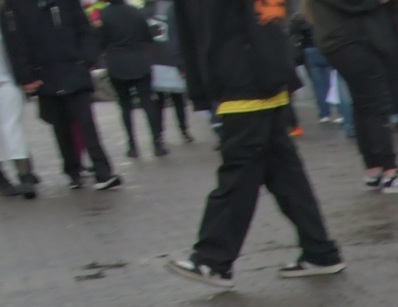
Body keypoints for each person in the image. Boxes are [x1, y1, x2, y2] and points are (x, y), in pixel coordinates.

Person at [165, 0, 344, 287]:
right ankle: (320, 252)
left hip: (247, 82)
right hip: (250, 79)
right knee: (285, 173)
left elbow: (260, 20)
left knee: (240, 170)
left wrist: (267, 74)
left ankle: (212, 260)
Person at [307, 0, 398, 190]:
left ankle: (374, 168)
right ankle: (390, 171)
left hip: (345, 40)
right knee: (375, 102)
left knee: (364, 102)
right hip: (350, 40)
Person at [4, 0, 119, 188]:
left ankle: (103, 172)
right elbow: (16, 42)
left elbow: (85, 29)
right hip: (44, 73)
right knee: (60, 125)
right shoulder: (17, 6)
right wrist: (25, 75)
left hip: (73, 68)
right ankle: (73, 171)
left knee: (86, 123)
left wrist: (86, 57)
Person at [98, 0, 164, 157]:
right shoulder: (135, 12)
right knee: (148, 102)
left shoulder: (103, 15)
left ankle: (132, 145)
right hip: (140, 61)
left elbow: (100, 41)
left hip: (117, 63)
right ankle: (157, 142)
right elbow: (148, 36)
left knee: (125, 105)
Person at [0, 0, 42, 195]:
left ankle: (22, 175)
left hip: (8, 80)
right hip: (8, 80)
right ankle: (24, 174)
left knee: (11, 128)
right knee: (12, 128)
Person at [147, 0, 192, 139]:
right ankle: (183, 130)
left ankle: (159, 134)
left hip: (154, 61)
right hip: (170, 60)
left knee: (159, 101)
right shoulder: (173, 8)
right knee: (177, 99)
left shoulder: (146, 11)